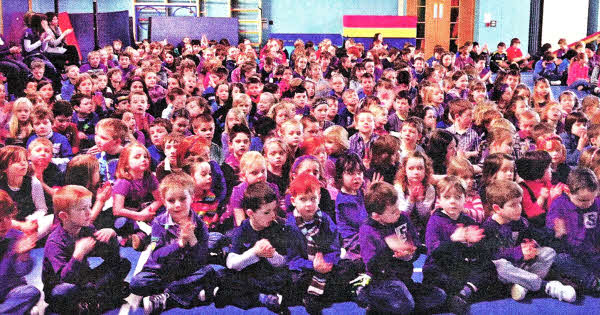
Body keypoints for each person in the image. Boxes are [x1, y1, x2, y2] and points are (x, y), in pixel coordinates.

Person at [130, 173, 219, 314]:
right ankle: (189, 292)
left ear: (192, 197)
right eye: (171, 201)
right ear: (164, 202)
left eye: (183, 199)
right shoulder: (158, 223)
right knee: (137, 283)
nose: (177, 205)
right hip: (161, 270)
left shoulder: (200, 225)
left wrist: (193, 240)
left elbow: (201, 259)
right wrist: (180, 244)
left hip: (186, 271)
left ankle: (167, 297)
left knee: (209, 271)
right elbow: (157, 255)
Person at [358, 181, 446, 314]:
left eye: (398, 207)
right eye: (393, 211)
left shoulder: (402, 217)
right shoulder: (368, 230)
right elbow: (372, 266)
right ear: (376, 216)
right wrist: (389, 251)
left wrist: (410, 254)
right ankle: (370, 296)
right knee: (406, 304)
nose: (398, 212)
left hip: (405, 278)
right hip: (383, 282)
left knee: (439, 296)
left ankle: (395, 305)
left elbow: (415, 244)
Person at [483, 180, 576, 302]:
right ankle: (546, 287)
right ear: (497, 208)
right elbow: (491, 255)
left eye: (519, 203)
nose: (519, 208)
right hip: (504, 272)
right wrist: (518, 253)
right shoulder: (488, 227)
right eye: (513, 205)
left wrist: (554, 230)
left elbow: (538, 235)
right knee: (500, 264)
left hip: (521, 268)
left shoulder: (521, 222)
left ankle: (522, 285)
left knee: (548, 252)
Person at [43, 185, 131, 314]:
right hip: (62, 287)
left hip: (85, 280)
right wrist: (77, 256)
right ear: (64, 216)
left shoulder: (87, 229)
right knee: (64, 291)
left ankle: (92, 301)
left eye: (89, 207)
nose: (89, 213)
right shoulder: (55, 242)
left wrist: (111, 237)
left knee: (123, 263)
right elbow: (65, 279)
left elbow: (113, 260)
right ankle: (103, 297)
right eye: (82, 209)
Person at [286, 172, 363, 314]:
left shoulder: (325, 220)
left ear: (319, 198)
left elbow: (335, 248)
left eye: (313, 199)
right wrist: (313, 266)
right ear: (293, 201)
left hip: (327, 266)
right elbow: (291, 260)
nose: (309, 204)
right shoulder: (290, 225)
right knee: (294, 279)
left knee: (350, 267)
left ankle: (320, 295)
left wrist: (327, 262)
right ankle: (317, 296)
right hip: (307, 269)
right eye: (303, 199)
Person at [423, 176, 497, 314]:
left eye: (457, 197)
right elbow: (434, 251)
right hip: (440, 267)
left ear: (465, 199)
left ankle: (462, 293)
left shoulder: (467, 220)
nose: (452, 201)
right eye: (447, 197)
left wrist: (476, 242)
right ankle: (462, 294)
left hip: (461, 266)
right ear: (439, 199)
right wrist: (453, 239)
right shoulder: (435, 221)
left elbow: (482, 251)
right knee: (440, 281)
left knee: (489, 268)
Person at [219, 181, 291, 312]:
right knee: (225, 277)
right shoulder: (243, 230)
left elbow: (283, 262)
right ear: (250, 213)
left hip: (269, 274)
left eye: (274, 210)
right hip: (250, 275)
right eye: (266, 212)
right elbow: (232, 263)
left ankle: (261, 296)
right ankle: (261, 298)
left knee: (290, 275)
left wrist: (271, 255)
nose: (273, 215)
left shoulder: (277, 227)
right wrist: (254, 252)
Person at [546, 167, 600, 295]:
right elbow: (550, 229)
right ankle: (593, 282)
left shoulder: (596, 204)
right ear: (568, 192)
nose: (588, 203)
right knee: (560, 260)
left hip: (591, 253)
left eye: (592, 198)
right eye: (583, 200)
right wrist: (555, 227)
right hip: (570, 255)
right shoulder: (559, 205)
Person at [112, 142, 162, 250]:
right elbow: (117, 210)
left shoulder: (149, 177)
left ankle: (141, 236)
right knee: (123, 222)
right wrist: (139, 216)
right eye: (137, 157)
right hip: (127, 213)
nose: (143, 159)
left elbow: (159, 199)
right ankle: (136, 237)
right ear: (126, 164)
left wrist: (147, 211)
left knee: (161, 216)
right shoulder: (123, 182)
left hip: (142, 208)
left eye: (145, 157)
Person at [0, 190, 41, 314]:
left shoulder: (16, 236)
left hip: (9, 290)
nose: (5, 224)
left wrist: (23, 256)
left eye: (8, 217)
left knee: (31, 292)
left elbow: (23, 271)